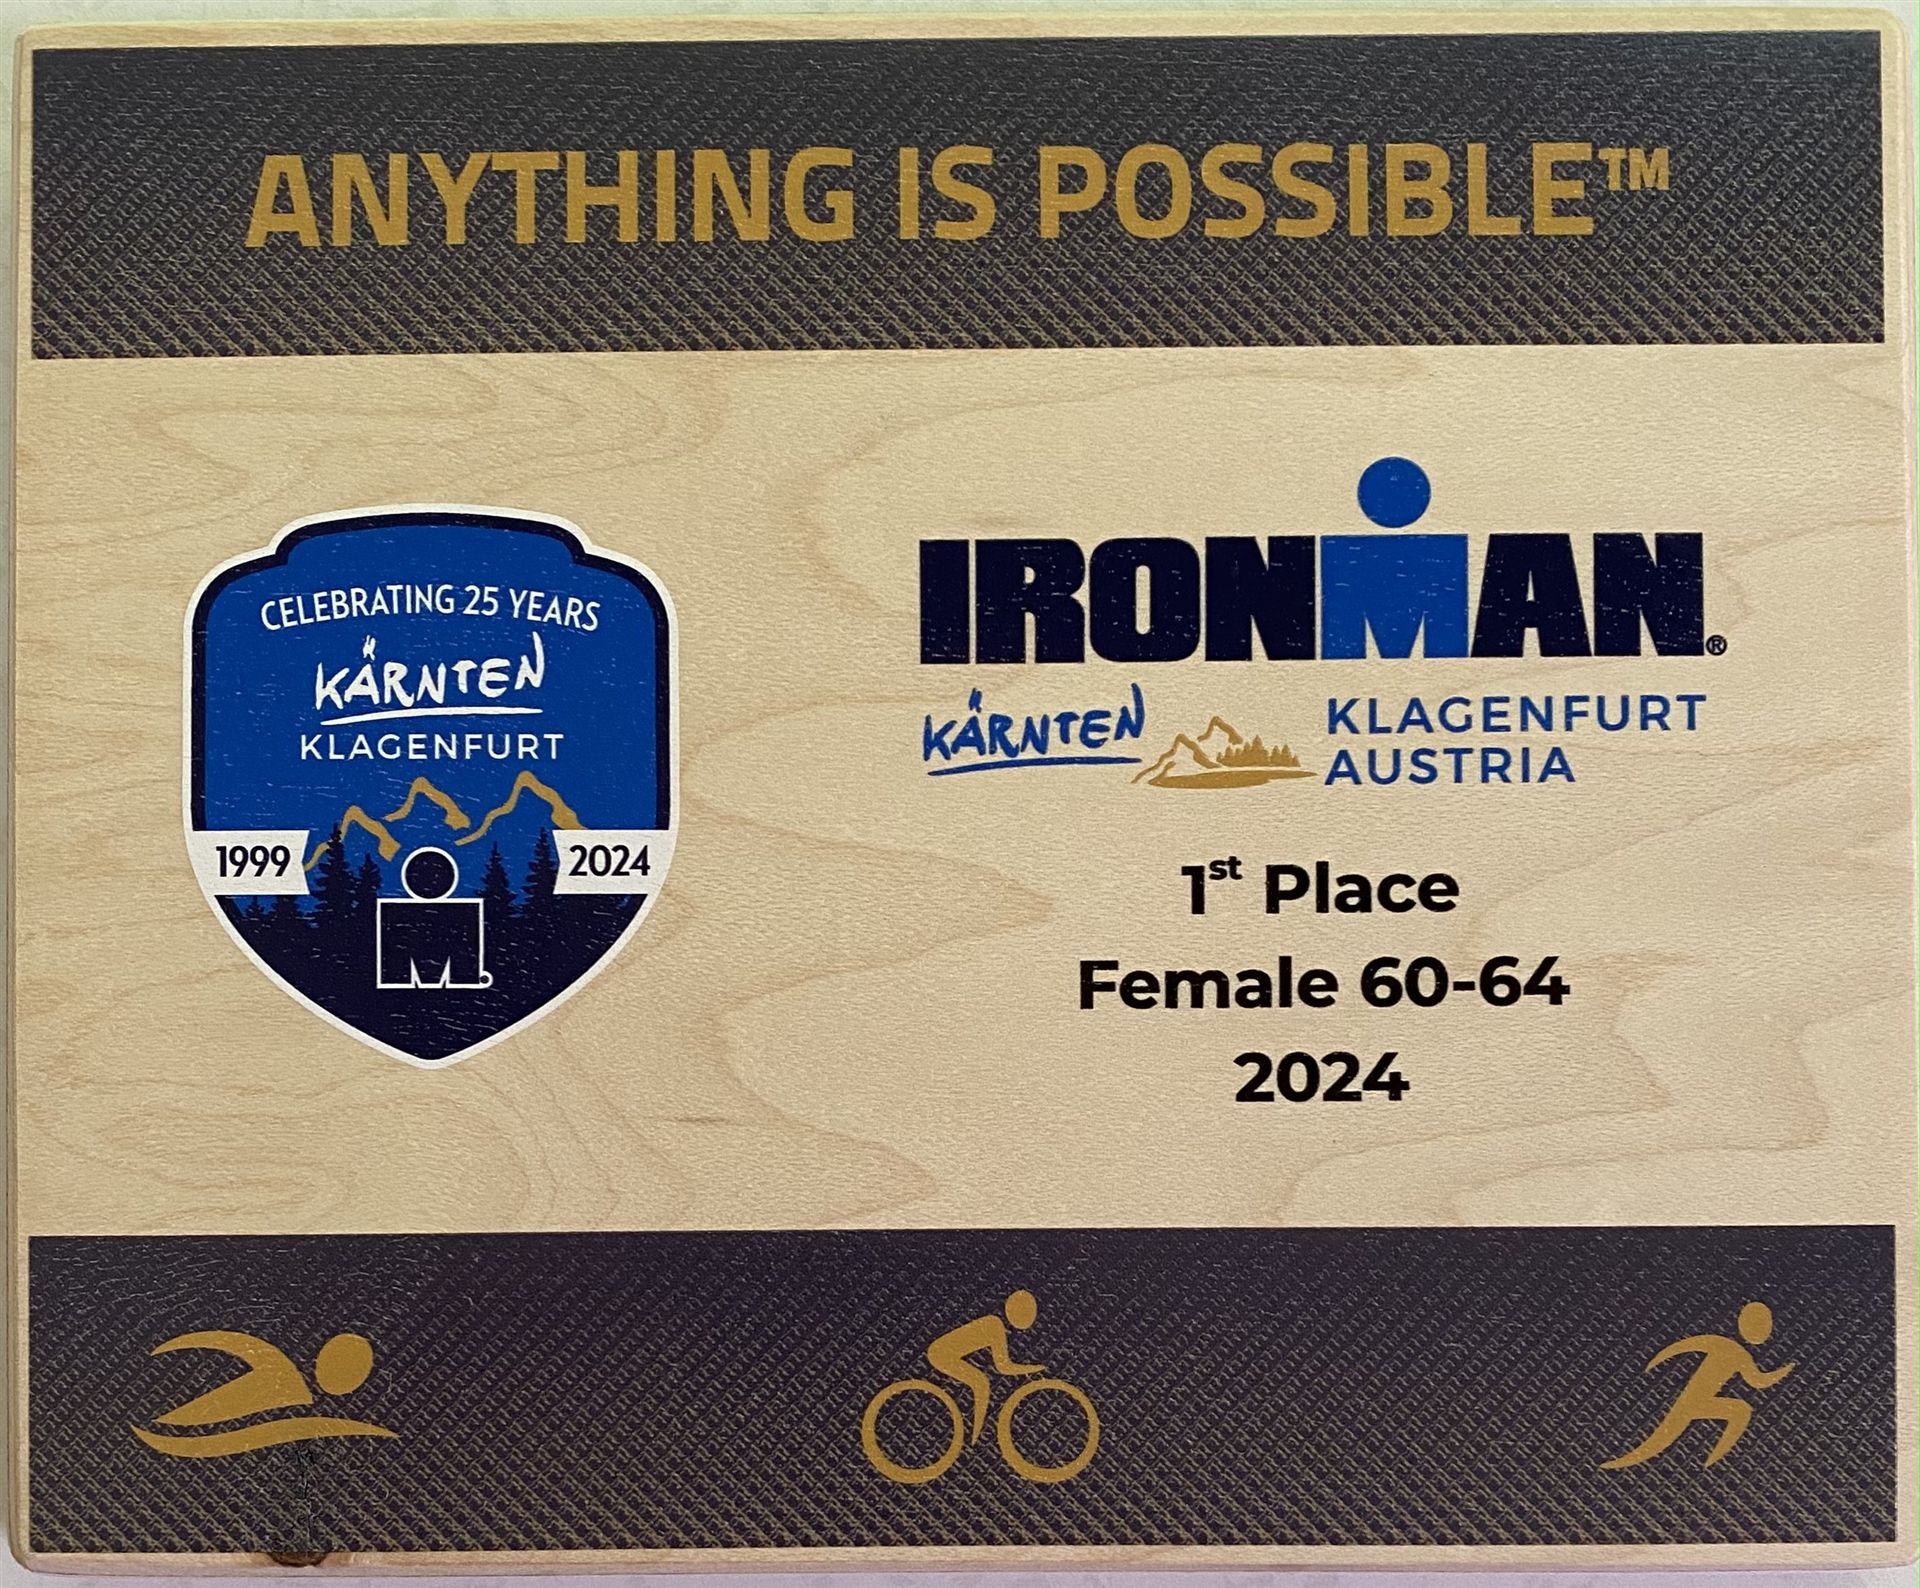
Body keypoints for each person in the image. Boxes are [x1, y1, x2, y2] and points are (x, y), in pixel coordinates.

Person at [1602, 1301, 1796, 1470]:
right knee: (1738, 1411)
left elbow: (1757, 1380)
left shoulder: (1732, 1350)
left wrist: (1784, 1371)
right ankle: (1712, 1459)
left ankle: (1713, 1458)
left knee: (1738, 1411)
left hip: (1697, 1402)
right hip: (1693, 1402)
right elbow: (1758, 1381)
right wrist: (1785, 1370)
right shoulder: (1724, 1345)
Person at [926, 1290, 1044, 1441]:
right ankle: (976, 1433)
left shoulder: (995, 1322)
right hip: (940, 1354)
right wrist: (1033, 1369)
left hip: (939, 1352)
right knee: (981, 1383)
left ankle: (974, 1431)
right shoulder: (995, 1324)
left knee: (980, 1381)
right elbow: (1003, 1366)